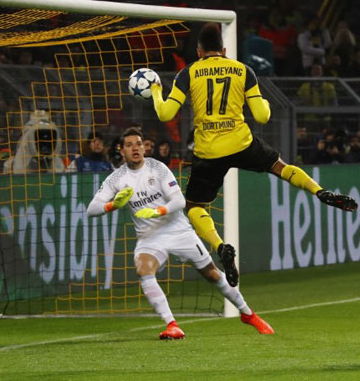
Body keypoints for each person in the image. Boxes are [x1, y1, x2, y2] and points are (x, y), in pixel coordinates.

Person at [150, 22, 358, 287]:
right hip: (241, 143)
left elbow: (166, 113)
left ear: (199, 51)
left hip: (208, 151)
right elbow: (262, 115)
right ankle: (320, 192)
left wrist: (156, 91)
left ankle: (220, 246)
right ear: (224, 50)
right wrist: (267, 104)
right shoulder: (242, 70)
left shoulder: (188, 72)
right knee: (280, 166)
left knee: (194, 207)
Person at [86, 127, 274, 339]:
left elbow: (179, 201)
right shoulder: (116, 178)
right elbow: (91, 209)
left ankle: (248, 314)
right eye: (129, 145)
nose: (135, 148)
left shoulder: (157, 168)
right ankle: (172, 325)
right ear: (121, 150)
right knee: (143, 270)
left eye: (138, 143)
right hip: (150, 237)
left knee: (212, 274)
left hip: (177, 230)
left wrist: (159, 210)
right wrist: (112, 205)